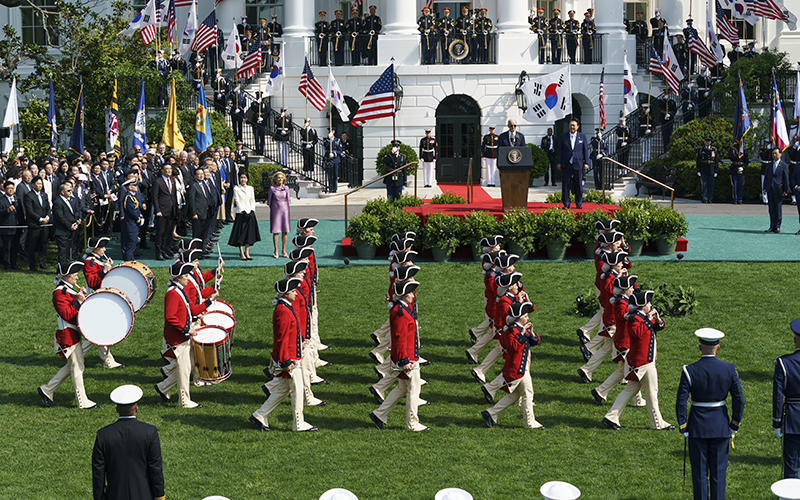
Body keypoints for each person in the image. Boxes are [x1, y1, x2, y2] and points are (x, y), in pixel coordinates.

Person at [676, 328, 744, 500]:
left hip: (697, 427)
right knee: (719, 474)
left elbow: (681, 401)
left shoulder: (689, 370)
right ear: (718, 347)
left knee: (699, 474)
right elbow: (739, 400)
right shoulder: (729, 369)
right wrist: (734, 424)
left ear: (700, 347)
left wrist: (683, 425)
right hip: (721, 426)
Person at [250, 277, 319, 432]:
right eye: (293, 291)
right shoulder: (283, 311)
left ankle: (260, 415)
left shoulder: (284, 307)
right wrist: (286, 361)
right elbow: (281, 339)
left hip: (289, 356)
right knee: (297, 391)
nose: (296, 294)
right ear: (285, 294)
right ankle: (298, 423)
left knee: (283, 389)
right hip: (289, 359)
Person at [602, 290, 674, 431]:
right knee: (652, 393)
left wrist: (658, 320)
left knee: (629, 390)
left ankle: (611, 417)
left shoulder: (643, 317)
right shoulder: (634, 318)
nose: (650, 305)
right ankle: (657, 424)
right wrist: (648, 318)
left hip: (641, 362)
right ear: (642, 305)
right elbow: (637, 333)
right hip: (644, 363)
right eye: (648, 303)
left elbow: (660, 327)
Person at [37, 261, 101, 409]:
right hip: (67, 335)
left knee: (71, 366)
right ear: (66, 276)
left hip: (72, 334)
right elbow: (66, 314)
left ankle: (46, 390)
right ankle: (82, 401)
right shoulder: (60, 293)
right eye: (75, 275)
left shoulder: (68, 290)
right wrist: (78, 302)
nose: (77, 278)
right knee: (78, 367)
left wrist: (81, 299)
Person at [369, 280, 430, 432]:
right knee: (414, 390)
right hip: (407, 359)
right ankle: (413, 423)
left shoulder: (400, 309)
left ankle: (379, 414)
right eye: (409, 293)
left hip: (406, 357)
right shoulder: (400, 313)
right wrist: (404, 361)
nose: (412, 295)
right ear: (403, 295)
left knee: (402, 388)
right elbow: (400, 338)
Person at [155, 261, 217, 409]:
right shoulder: (172, 293)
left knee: (186, 367)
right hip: (178, 338)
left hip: (182, 335)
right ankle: (184, 401)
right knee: (184, 370)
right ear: (178, 278)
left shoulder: (178, 290)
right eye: (185, 276)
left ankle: (163, 387)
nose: (188, 278)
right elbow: (170, 317)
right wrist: (186, 329)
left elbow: (185, 310)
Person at [92, 384, 165, 500]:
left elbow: (98, 474)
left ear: (117, 410)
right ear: (136, 409)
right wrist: (159, 495)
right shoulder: (150, 432)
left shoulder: (103, 435)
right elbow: (155, 468)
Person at [480, 301, 544, 429]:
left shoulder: (520, 329)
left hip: (521, 367)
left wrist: (531, 334)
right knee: (528, 395)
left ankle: (491, 413)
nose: (528, 318)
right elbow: (513, 347)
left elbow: (535, 342)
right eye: (526, 316)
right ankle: (530, 423)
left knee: (515, 396)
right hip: (518, 369)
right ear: (519, 318)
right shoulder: (511, 330)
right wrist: (522, 334)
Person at [775, 319, 800, 479]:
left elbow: (778, 395)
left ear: (794, 339)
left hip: (792, 420)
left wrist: (777, 422)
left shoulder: (784, 362)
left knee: (790, 467)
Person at [556, 118, 590, 209]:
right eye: (570, 125)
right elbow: (559, 151)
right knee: (565, 184)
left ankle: (578, 203)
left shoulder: (582, 137)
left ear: (577, 126)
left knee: (578, 184)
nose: (572, 127)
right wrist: (558, 162)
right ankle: (566, 203)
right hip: (566, 164)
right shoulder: (563, 136)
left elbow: (585, 150)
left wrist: (586, 162)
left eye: (574, 125)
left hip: (578, 164)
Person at [228, 172, 260, 260]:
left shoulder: (250, 188)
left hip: (250, 213)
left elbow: (252, 200)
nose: (243, 179)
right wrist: (243, 211)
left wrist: (252, 210)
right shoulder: (236, 188)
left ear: (247, 179)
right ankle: (241, 252)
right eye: (241, 178)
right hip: (241, 214)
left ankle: (247, 252)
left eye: (245, 178)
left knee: (249, 234)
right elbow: (237, 201)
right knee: (240, 233)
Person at [52, 182, 82, 268]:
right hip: (62, 231)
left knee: (68, 250)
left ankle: (67, 267)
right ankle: (62, 269)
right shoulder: (58, 202)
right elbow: (60, 217)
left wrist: (76, 221)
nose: (70, 192)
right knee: (62, 251)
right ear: (62, 192)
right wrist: (70, 226)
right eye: (68, 191)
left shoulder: (70, 200)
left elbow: (73, 213)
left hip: (70, 230)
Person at [24, 176, 50, 271]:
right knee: (33, 245)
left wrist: (47, 217)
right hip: (34, 225)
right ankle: (32, 265)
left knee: (43, 244)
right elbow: (30, 211)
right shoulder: (28, 195)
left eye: (41, 184)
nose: (40, 185)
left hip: (44, 225)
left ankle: (42, 263)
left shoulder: (44, 195)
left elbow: (48, 208)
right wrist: (40, 219)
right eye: (38, 184)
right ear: (33, 184)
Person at [152, 164, 177, 261]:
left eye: (170, 169)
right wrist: (157, 210)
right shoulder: (158, 182)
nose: (169, 171)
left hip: (171, 211)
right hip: (161, 211)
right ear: (162, 170)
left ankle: (165, 251)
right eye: (167, 169)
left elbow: (173, 196)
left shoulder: (172, 180)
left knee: (168, 232)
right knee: (160, 233)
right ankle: (159, 253)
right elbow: (155, 197)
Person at [764, 147, 790, 233]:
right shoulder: (769, 165)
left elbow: (786, 179)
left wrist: (786, 190)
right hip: (770, 189)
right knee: (771, 209)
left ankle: (777, 226)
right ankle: (772, 226)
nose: (774, 155)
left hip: (778, 189)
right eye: (773, 153)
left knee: (778, 208)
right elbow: (766, 177)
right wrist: (764, 188)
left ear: (780, 154)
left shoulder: (784, 165)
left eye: (776, 153)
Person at [266, 171, 291, 258]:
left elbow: (288, 200)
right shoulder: (272, 188)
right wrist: (273, 209)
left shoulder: (286, 188)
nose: (280, 179)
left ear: (283, 179)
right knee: (275, 231)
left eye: (281, 177)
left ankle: (284, 250)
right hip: (275, 210)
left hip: (285, 210)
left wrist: (286, 210)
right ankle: (276, 250)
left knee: (285, 231)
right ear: (275, 179)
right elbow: (269, 202)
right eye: (278, 178)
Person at [186, 168, 210, 245]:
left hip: (204, 212)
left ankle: (202, 250)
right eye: (199, 174)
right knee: (197, 235)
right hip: (197, 214)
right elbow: (191, 200)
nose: (201, 176)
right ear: (195, 176)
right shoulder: (193, 185)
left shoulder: (203, 184)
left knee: (203, 234)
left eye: (202, 174)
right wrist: (193, 213)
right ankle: (196, 251)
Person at [120, 178, 142, 262]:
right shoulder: (128, 197)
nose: (136, 187)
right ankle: (129, 262)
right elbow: (132, 211)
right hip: (130, 224)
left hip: (132, 224)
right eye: (134, 185)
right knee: (129, 247)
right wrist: (138, 219)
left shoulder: (132, 196)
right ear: (129, 187)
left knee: (132, 245)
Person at [0, 180, 21, 270]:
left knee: (15, 247)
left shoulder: (17, 199)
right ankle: (7, 265)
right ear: (5, 189)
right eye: (8, 188)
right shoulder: (1, 200)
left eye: (12, 188)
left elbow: (21, 211)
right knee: (7, 248)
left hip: (17, 226)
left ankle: (14, 263)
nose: (11, 190)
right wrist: (7, 211)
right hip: (6, 226)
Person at [696, 136, 719, 204]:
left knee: (711, 185)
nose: (707, 142)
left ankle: (710, 198)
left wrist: (716, 170)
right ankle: (705, 198)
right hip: (704, 169)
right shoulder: (701, 150)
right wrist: (698, 170)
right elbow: (698, 160)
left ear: (710, 142)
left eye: (709, 141)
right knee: (704, 184)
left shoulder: (714, 150)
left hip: (711, 170)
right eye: (706, 141)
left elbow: (716, 161)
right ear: (704, 142)